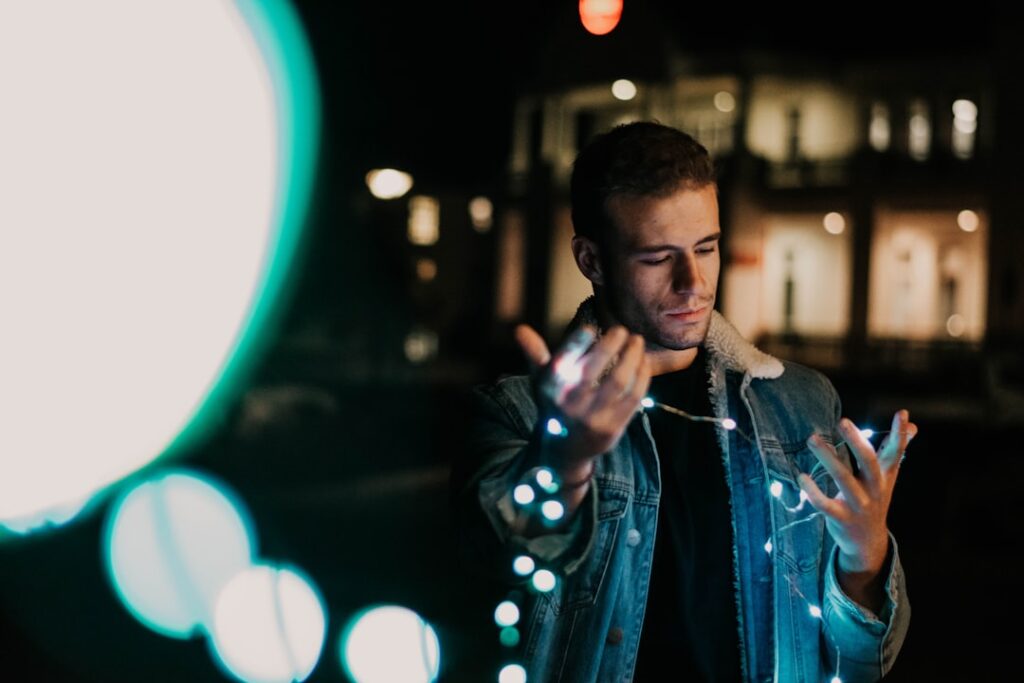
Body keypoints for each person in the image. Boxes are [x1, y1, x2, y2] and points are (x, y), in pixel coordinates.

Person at [452, 121, 915, 682]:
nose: (692, 282)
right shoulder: (520, 413)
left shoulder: (801, 406)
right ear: (591, 261)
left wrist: (865, 559)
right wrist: (564, 461)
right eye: (656, 258)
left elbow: (862, 665)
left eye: (707, 247)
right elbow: (491, 565)